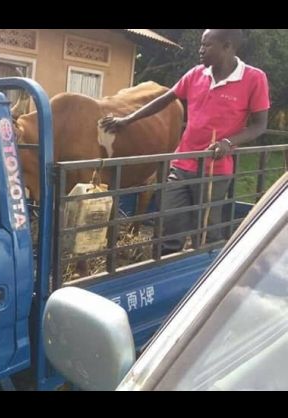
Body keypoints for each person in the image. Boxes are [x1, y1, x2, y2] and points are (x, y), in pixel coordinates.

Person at [100, 29, 270, 254]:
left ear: (227, 46)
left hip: (214, 169)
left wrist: (228, 142)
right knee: (169, 225)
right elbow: (164, 100)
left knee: (207, 229)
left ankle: (205, 272)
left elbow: (260, 125)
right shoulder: (196, 74)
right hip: (182, 164)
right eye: (201, 44)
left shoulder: (253, 78)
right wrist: (127, 120)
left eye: (207, 45)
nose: (200, 50)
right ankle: (166, 270)